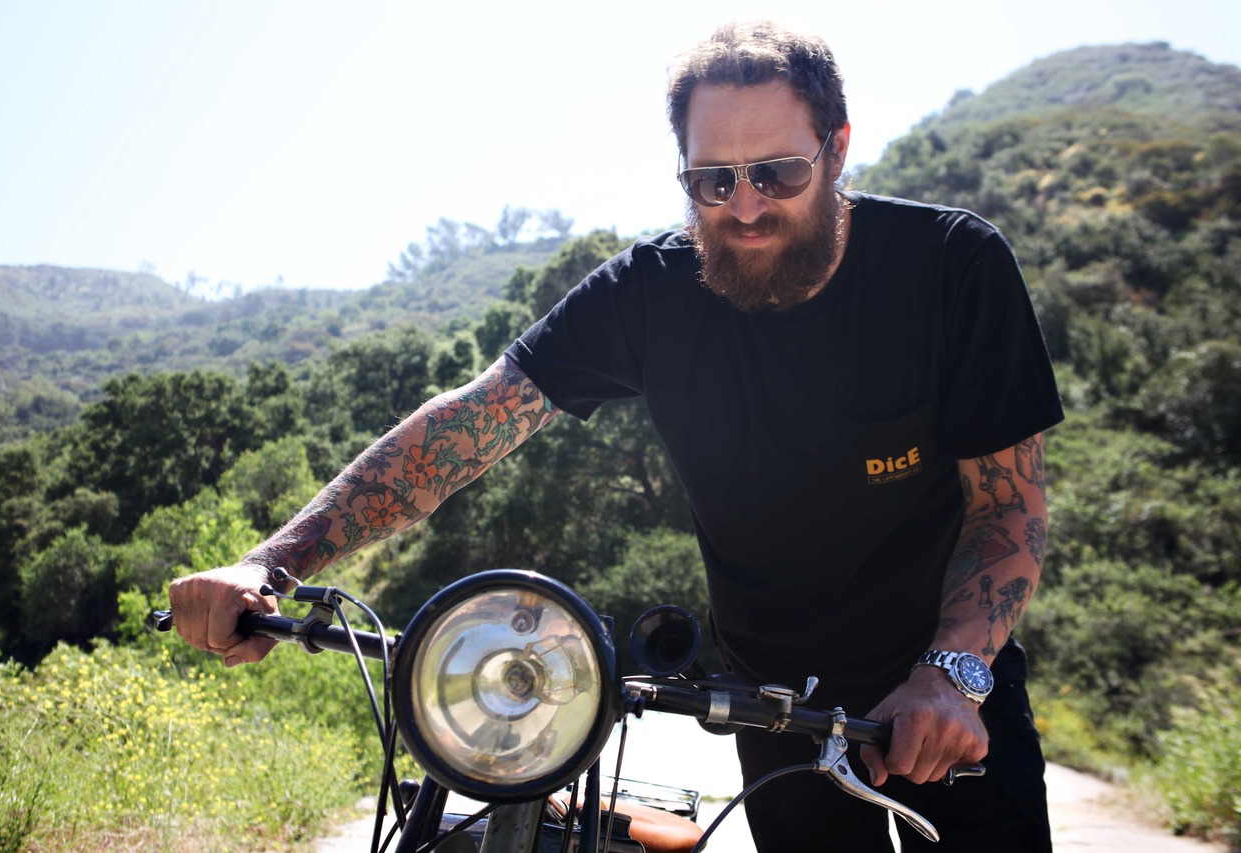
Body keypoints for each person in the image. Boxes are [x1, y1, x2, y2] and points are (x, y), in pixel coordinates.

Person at [170, 21, 1063, 852]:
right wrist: (273, 563)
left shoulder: (951, 267)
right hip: (774, 703)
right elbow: (468, 424)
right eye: (713, 181)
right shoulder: (648, 294)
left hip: (949, 685)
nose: (745, 206)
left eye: (778, 173)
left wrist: (951, 673)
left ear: (837, 150)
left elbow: (1008, 509)